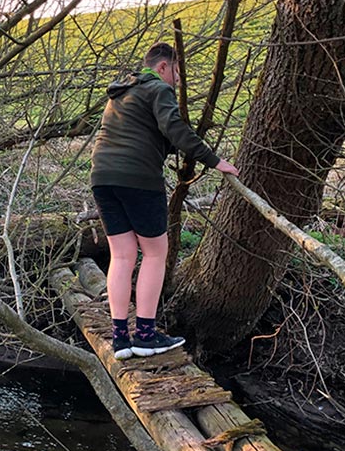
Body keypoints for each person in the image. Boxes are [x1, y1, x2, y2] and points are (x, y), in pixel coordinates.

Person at [90, 42, 239, 359]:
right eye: (177, 73)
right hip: (138, 179)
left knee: (122, 254)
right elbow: (174, 129)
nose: (178, 82)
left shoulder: (122, 92)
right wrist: (215, 161)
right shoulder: (159, 89)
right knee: (156, 252)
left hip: (102, 177)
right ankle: (144, 335)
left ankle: (120, 340)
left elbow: (151, 135)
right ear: (162, 67)